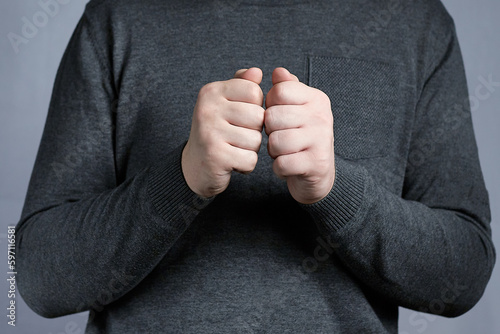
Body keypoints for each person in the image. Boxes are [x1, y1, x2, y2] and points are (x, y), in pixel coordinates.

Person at [16, 0, 495, 333]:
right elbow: (34, 274)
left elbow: (465, 272)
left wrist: (335, 190)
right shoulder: (114, 19)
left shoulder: (416, 21)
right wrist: (181, 180)